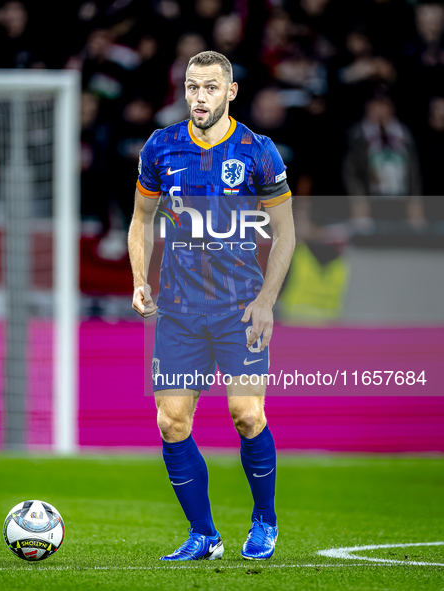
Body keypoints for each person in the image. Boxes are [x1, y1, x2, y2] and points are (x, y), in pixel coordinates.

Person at [127, 51, 295, 561]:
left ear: (231, 92)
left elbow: (286, 233)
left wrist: (267, 300)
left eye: (209, 88)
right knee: (171, 422)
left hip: (239, 308)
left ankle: (264, 522)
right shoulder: (161, 146)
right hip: (179, 311)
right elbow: (140, 220)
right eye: (192, 87)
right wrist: (139, 278)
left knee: (246, 415)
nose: (199, 97)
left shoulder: (257, 151)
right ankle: (205, 535)